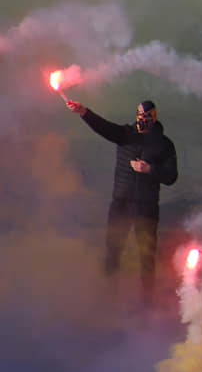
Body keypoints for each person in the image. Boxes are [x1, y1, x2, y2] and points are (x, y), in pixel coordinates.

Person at [67, 99, 178, 304]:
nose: (141, 120)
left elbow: (172, 176)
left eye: (146, 117)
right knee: (113, 251)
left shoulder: (164, 144)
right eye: (139, 116)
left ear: (154, 118)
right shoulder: (125, 135)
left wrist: (150, 170)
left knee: (147, 258)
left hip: (147, 208)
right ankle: (108, 299)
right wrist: (84, 112)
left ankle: (147, 303)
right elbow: (104, 127)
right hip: (121, 204)